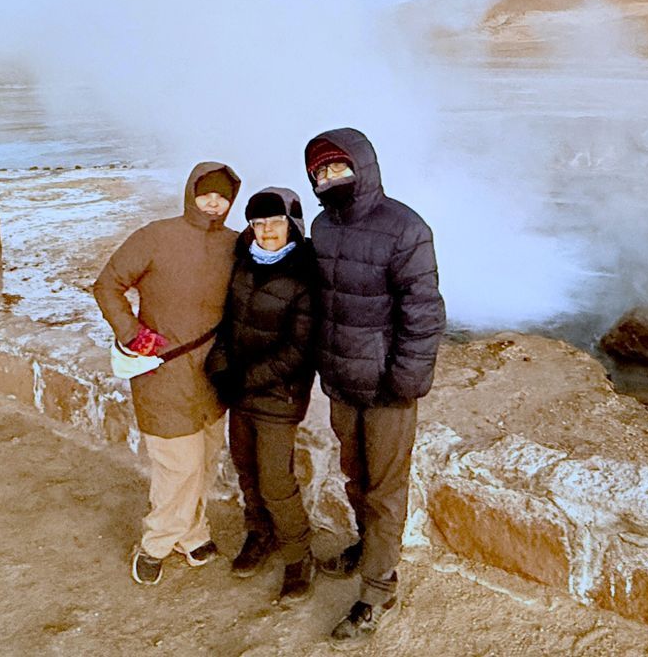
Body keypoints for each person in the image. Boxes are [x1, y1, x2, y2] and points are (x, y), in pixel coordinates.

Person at [302, 128, 445, 642]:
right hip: (342, 382)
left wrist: (405, 381)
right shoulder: (322, 226)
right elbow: (319, 304)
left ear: (362, 167)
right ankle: (368, 546)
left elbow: (423, 313)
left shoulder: (405, 228)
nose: (329, 177)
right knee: (355, 478)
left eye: (337, 166)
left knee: (385, 491)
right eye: (320, 170)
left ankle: (378, 590)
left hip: (387, 388)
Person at [91, 161, 241, 586]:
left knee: (205, 459)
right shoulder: (155, 236)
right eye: (206, 193)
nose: (213, 203)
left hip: (213, 373)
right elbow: (107, 284)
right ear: (191, 193)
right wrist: (131, 332)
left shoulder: (234, 243)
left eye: (223, 196)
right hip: (163, 371)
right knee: (178, 464)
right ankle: (155, 543)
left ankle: (192, 534)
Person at [205, 188, 321, 603]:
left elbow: (299, 349)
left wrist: (246, 378)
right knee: (246, 470)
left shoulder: (306, 273)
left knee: (275, 481)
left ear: (292, 224)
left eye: (275, 222)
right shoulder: (244, 263)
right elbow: (227, 324)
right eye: (258, 223)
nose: (266, 231)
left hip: (278, 396)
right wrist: (220, 367)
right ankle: (259, 534)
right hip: (241, 393)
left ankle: (298, 555)